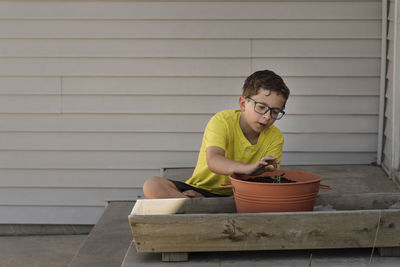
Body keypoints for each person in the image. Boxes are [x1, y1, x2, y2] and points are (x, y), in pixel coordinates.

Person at [143, 69, 290, 198]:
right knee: (152, 184)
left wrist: (259, 173)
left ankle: (198, 206)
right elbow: (214, 160)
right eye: (261, 107)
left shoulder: (275, 136)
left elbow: (269, 177)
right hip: (202, 188)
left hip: (240, 195)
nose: (267, 116)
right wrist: (247, 169)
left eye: (275, 111)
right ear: (243, 104)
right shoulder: (222, 121)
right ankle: (193, 202)